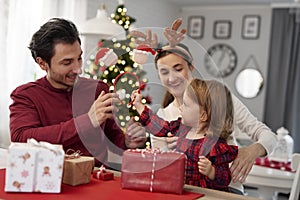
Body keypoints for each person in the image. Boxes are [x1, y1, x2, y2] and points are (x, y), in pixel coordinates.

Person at [9, 18, 146, 167]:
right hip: (51, 178)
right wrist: (87, 121)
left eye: (79, 58)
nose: (78, 69)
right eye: (67, 62)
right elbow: (21, 138)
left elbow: (113, 138)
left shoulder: (99, 89)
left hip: (96, 180)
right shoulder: (26, 95)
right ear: (42, 63)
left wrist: (128, 141)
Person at [150, 42, 277, 194]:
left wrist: (252, 150)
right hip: (186, 190)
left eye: (178, 69)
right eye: (164, 72)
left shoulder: (219, 98)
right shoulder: (162, 117)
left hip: (226, 189)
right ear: (158, 76)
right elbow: (163, 169)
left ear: (191, 67)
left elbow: (269, 136)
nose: (172, 78)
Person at [132, 78, 238, 192]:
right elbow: (160, 126)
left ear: (203, 115)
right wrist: (139, 105)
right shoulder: (181, 128)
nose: (181, 108)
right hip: (181, 190)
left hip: (203, 194)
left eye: (186, 105)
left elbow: (225, 178)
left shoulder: (215, 145)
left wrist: (212, 172)